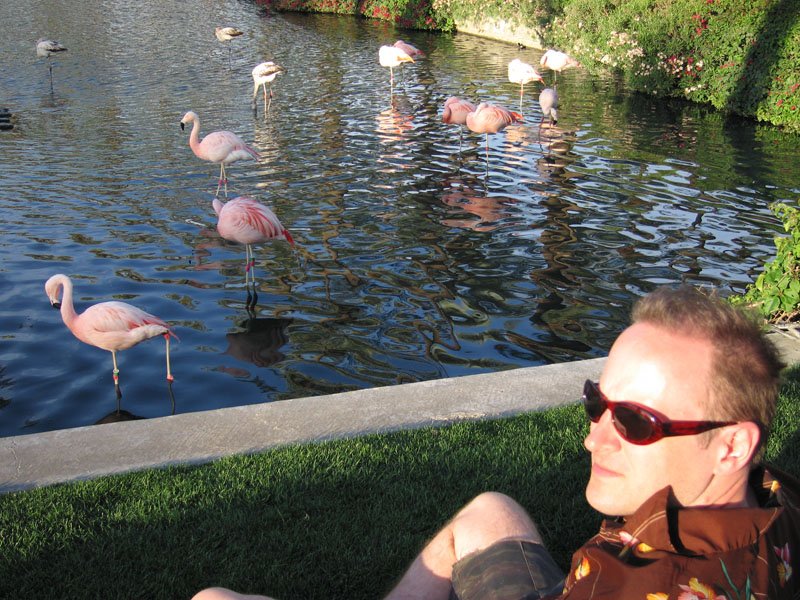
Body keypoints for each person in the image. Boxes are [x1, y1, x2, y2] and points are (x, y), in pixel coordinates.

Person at [193, 285, 800, 600]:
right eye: (597, 402)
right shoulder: (774, 502)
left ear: (730, 446)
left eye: (635, 422)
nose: (594, 438)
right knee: (490, 511)